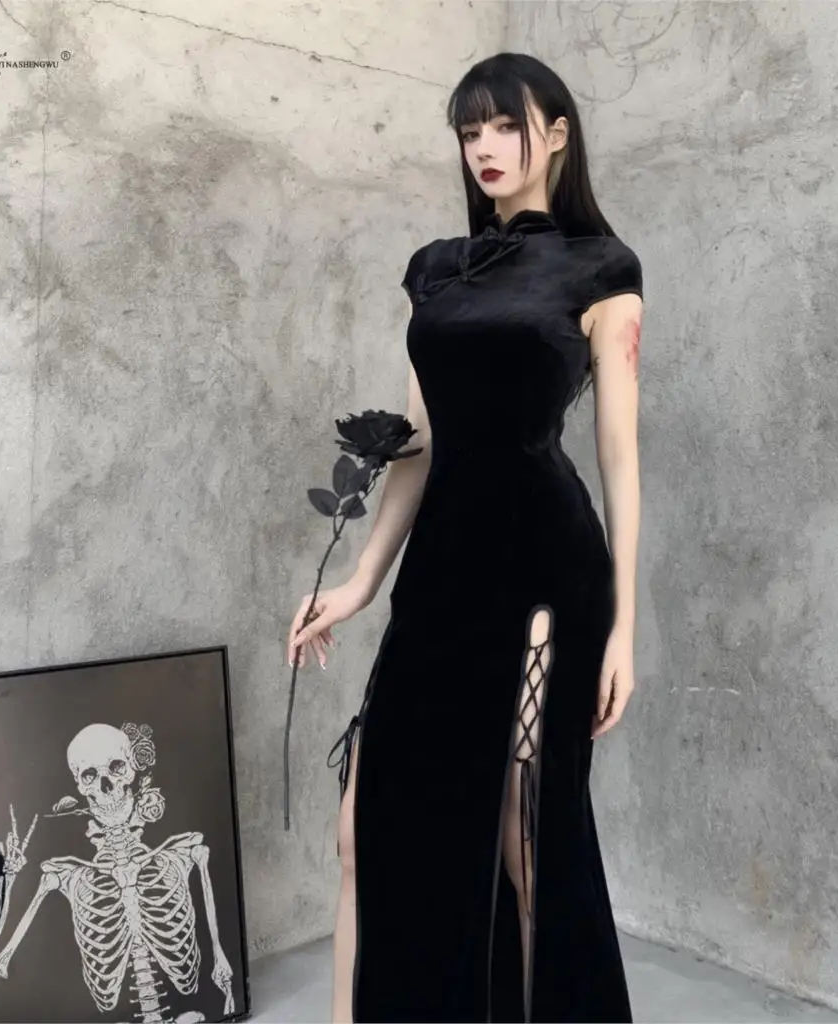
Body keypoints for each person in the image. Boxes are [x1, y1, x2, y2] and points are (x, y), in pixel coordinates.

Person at [287, 51, 644, 1023]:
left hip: (547, 573)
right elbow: (421, 441)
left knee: (526, 842)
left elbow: (619, 457)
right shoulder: (436, 270)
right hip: (443, 571)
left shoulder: (602, 268)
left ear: (556, 134)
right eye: (468, 130)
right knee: (364, 830)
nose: (483, 146)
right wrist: (361, 580)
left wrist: (623, 629)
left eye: (504, 125)